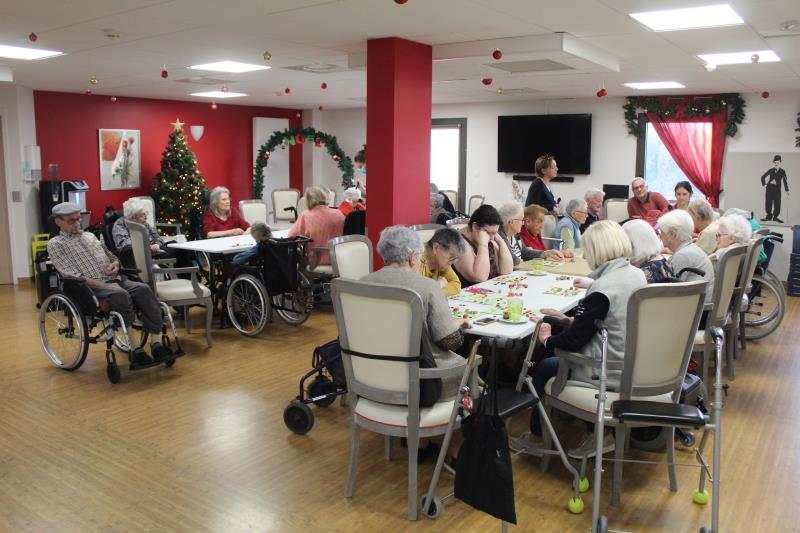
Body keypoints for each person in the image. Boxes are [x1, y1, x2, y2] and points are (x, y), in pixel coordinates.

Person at [510, 221, 647, 458]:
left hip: (606, 371)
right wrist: (567, 319)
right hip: (632, 361)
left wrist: (547, 340)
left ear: (596, 251)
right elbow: (608, 321)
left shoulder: (602, 288)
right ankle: (596, 433)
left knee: (545, 365)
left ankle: (537, 437)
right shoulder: (637, 274)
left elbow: (574, 341)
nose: (585, 256)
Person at [47, 202, 169, 365]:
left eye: (79, 218)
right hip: (90, 288)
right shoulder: (56, 244)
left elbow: (112, 256)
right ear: (58, 222)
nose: (77, 223)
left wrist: (115, 265)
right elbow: (70, 274)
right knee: (120, 294)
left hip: (115, 280)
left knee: (143, 289)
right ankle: (135, 349)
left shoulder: (90, 236)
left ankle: (156, 343)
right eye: (71, 220)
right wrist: (104, 285)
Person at [657, 210, 715, 307]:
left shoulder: (683, 256)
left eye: (661, 232)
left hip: (697, 311)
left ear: (672, 234)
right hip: (699, 306)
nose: (660, 235)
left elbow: (668, 291)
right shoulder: (690, 249)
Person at [452, 204, 514, 286]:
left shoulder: (491, 239)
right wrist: (483, 245)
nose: (492, 238)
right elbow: (480, 277)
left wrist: (500, 241)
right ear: (475, 227)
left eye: (495, 233)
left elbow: (507, 270)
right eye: (488, 232)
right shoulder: (458, 242)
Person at [288, 186, 345, 265]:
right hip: (341, 260)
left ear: (308, 200)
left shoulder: (306, 215)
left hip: (317, 261)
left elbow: (292, 238)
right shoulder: (338, 213)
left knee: (299, 262)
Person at [419, 227, 465, 296]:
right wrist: (437, 285)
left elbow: (456, 284)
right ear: (436, 248)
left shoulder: (441, 263)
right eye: (452, 257)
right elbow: (420, 295)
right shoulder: (416, 260)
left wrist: (436, 290)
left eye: (455, 258)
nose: (453, 262)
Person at [760, 154, 789, 223]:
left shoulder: (782, 171)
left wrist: (787, 189)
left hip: (777, 189)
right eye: (775, 162)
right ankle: (768, 217)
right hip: (769, 189)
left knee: (777, 203)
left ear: (780, 162)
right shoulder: (771, 170)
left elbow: (785, 181)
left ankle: (775, 217)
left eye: (778, 162)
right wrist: (765, 185)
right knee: (768, 202)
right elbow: (763, 177)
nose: (776, 163)